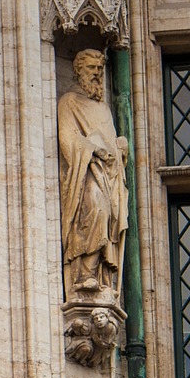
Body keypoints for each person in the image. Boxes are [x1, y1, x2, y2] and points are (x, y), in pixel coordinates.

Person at [59, 48, 129, 299]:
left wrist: (120, 147)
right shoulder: (69, 101)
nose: (97, 73)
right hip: (87, 171)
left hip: (109, 175)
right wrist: (94, 149)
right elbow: (67, 140)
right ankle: (84, 275)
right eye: (91, 68)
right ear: (78, 71)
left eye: (99, 69)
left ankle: (100, 277)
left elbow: (110, 139)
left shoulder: (104, 109)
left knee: (107, 214)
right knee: (96, 208)